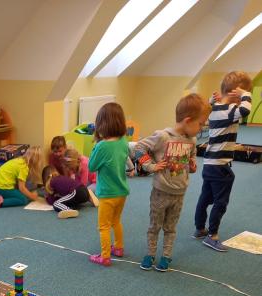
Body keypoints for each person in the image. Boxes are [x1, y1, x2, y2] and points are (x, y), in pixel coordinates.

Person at [135, 93, 210, 271]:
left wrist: (192, 165)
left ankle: (166, 256)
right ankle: (150, 254)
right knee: (155, 226)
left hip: (179, 193)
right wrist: (150, 166)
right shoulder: (163, 136)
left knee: (170, 227)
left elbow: (191, 158)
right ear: (188, 120)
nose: (201, 128)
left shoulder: (192, 140)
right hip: (161, 192)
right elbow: (138, 147)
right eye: (200, 124)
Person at [193, 71, 252, 251]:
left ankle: (199, 228)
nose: (242, 99)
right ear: (235, 93)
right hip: (220, 166)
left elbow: (207, 107)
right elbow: (246, 110)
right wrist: (246, 94)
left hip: (209, 164)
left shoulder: (214, 109)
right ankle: (212, 236)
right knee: (221, 201)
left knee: (205, 197)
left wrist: (212, 100)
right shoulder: (231, 110)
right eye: (240, 95)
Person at [88, 102, 130, 266]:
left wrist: (95, 146)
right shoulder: (123, 141)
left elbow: (91, 166)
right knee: (116, 221)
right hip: (122, 192)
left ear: (101, 124)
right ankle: (118, 247)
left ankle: (105, 256)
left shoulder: (102, 146)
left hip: (107, 194)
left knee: (103, 226)